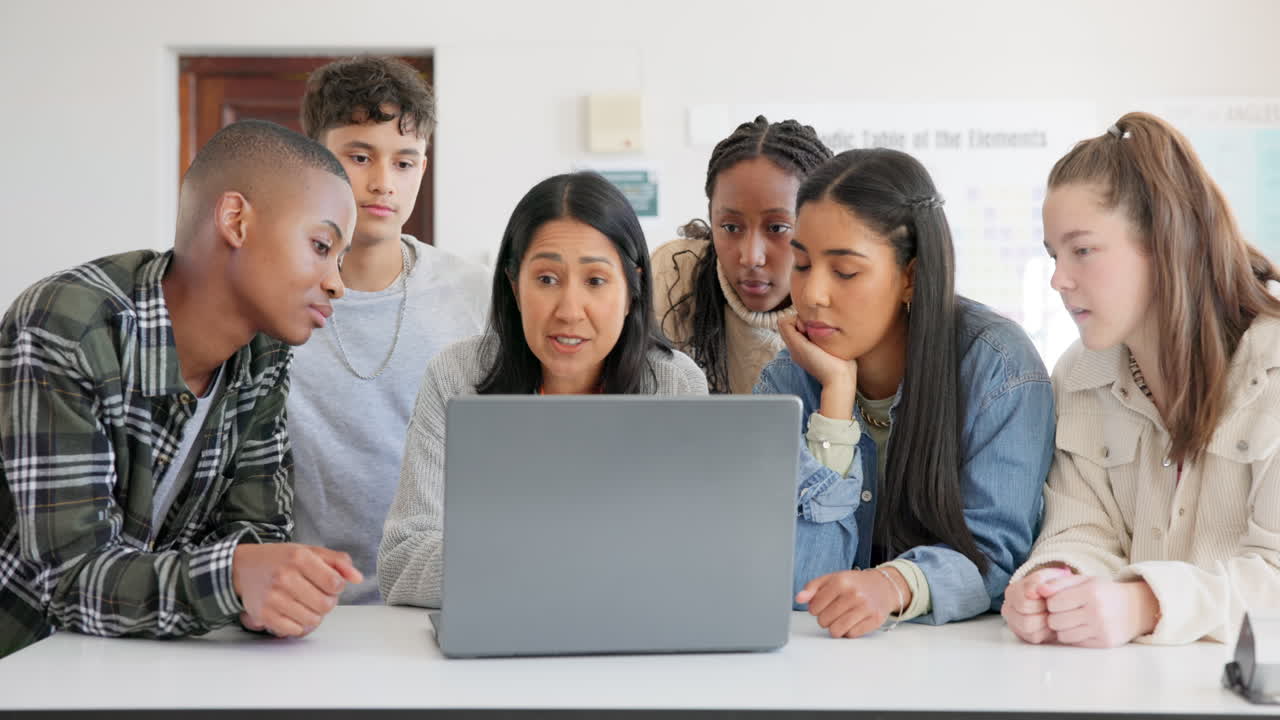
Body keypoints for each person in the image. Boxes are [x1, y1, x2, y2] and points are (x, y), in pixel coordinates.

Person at [0, 120, 362, 657]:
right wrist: (234, 579)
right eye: (321, 245)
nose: (338, 282)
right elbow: (66, 579)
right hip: (27, 667)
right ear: (235, 220)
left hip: (144, 666)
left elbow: (256, 530)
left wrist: (278, 586)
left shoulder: (264, 357)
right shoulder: (67, 326)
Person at [1003, 112, 1280, 647]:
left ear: (1167, 242)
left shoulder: (1273, 370)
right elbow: (1081, 527)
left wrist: (1145, 603)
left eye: (1082, 250)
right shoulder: (1077, 375)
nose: (1059, 278)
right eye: (1054, 255)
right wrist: (1055, 579)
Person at [754, 148, 1054, 638]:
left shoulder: (998, 366)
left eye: (845, 271)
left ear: (910, 276)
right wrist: (835, 398)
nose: (812, 295)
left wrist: (892, 585)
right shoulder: (790, 378)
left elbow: (999, 556)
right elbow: (798, 587)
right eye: (803, 265)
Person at [378, 171, 708, 607]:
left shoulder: (675, 384)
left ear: (632, 290)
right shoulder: (457, 377)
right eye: (547, 279)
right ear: (515, 286)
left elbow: (695, 559)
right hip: (499, 639)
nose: (570, 311)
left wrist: (515, 561)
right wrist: (564, 562)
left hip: (631, 642)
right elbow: (401, 562)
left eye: (595, 281)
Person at [288, 56, 489, 604]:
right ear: (315, 161)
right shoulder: (276, 305)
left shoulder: (479, 295)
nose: (383, 183)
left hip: (443, 601)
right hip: (311, 614)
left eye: (405, 163)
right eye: (359, 157)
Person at [652, 116, 832, 393]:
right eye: (730, 227)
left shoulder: (847, 297)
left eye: (777, 228)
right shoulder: (674, 276)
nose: (751, 257)